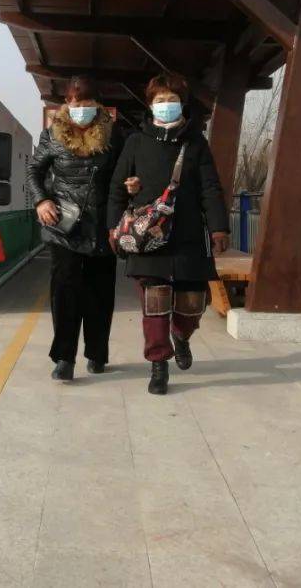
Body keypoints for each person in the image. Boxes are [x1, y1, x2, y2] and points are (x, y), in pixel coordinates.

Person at [107, 73, 229, 395]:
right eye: (160, 100)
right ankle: (158, 365)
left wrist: (218, 227)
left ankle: (182, 335)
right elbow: (117, 188)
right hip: (149, 238)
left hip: (188, 236)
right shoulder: (135, 141)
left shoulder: (196, 142)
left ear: (182, 104)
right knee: (155, 303)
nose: (166, 105)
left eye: (172, 100)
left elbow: (210, 188)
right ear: (150, 105)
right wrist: (113, 226)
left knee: (193, 303)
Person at [26, 75, 123, 382]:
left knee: (100, 293)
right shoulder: (52, 135)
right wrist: (41, 200)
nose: (81, 108)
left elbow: (126, 172)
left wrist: (132, 186)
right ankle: (64, 358)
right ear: (67, 103)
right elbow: (34, 171)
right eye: (76, 102)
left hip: (103, 225)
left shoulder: (115, 135)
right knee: (65, 293)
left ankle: (97, 353)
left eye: (88, 103)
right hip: (63, 226)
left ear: (98, 104)